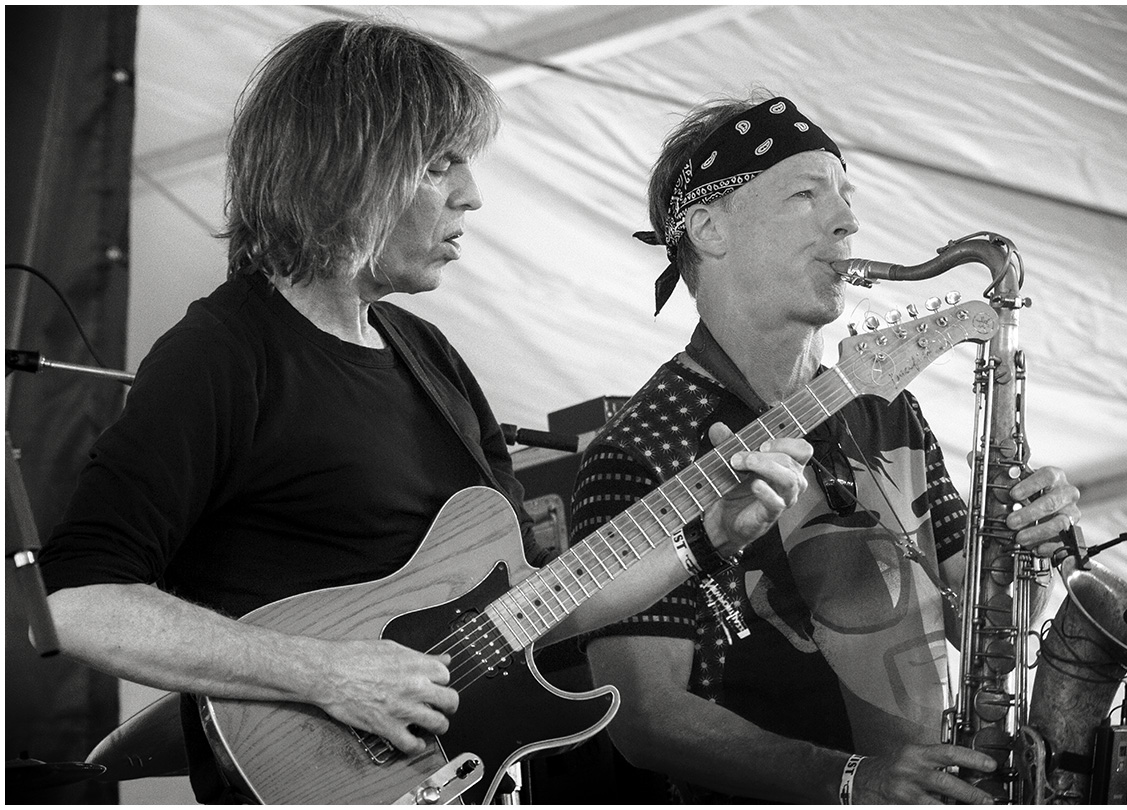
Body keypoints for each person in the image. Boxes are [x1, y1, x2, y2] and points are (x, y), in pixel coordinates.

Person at [36, 27, 814, 803]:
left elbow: (523, 611)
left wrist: (708, 538)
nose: (471, 194)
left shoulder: (427, 354)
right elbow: (75, 602)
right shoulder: (223, 355)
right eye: (441, 164)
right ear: (349, 168)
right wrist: (327, 674)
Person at [572, 93, 1082, 804]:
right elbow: (647, 720)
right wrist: (852, 780)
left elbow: (991, 616)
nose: (846, 219)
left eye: (844, 195)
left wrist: (1028, 549)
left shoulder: (885, 406)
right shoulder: (638, 449)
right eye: (806, 195)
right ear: (710, 228)